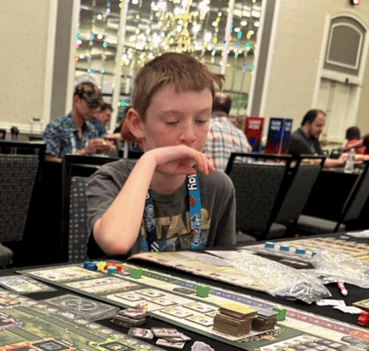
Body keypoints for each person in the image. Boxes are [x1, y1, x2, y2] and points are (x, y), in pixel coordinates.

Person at [86, 53, 236, 257]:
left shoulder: (217, 187)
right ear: (137, 124)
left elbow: (224, 264)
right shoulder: (111, 179)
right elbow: (115, 242)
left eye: (201, 120)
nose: (190, 136)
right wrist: (150, 159)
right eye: (172, 121)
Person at [43, 82, 116, 161]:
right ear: (76, 100)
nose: (94, 111)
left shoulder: (92, 130)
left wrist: (101, 149)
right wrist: (85, 151)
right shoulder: (56, 127)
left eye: (96, 107)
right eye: (90, 105)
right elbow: (49, 160)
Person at [204, 92, 250, 172]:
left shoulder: (204, 130)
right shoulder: (241, 136)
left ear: (209, 107)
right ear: (228, 110)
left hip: (206, 183)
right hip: (233, 184)